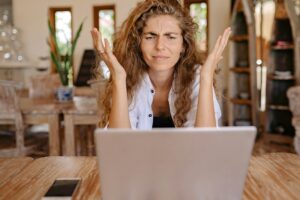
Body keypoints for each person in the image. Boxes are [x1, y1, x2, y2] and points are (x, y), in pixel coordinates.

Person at [91, 0, 231, 129]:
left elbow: (205, 145)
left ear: (183, 45)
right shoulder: (128, 76)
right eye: (150, 37)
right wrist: (119, 78)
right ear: (138, 43)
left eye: (170, 37)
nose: (160, 46)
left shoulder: (196, 76)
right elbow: (119, 145)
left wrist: (206, 77)